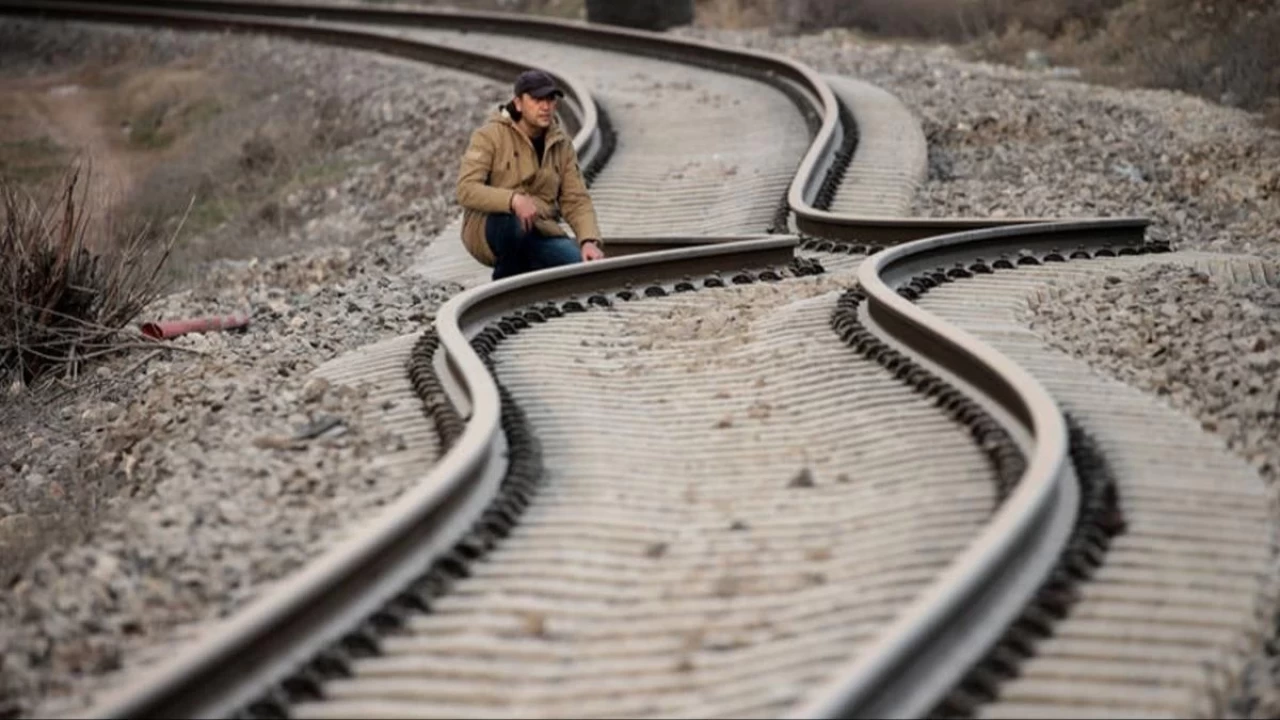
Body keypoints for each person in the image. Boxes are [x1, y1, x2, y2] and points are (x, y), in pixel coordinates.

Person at [456, 69, 605, 281]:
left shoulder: (561, 144)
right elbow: (466, 189)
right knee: (514, 226)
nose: (545, 107)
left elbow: (576, 199)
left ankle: (528, 270)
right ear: (518, 103)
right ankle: (504, 286)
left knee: (580, 270)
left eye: (550, 99)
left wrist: (588, 241)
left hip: (539, 229)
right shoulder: (488, 136)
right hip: (492, 229)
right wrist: (513, 200)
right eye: (537, 99)